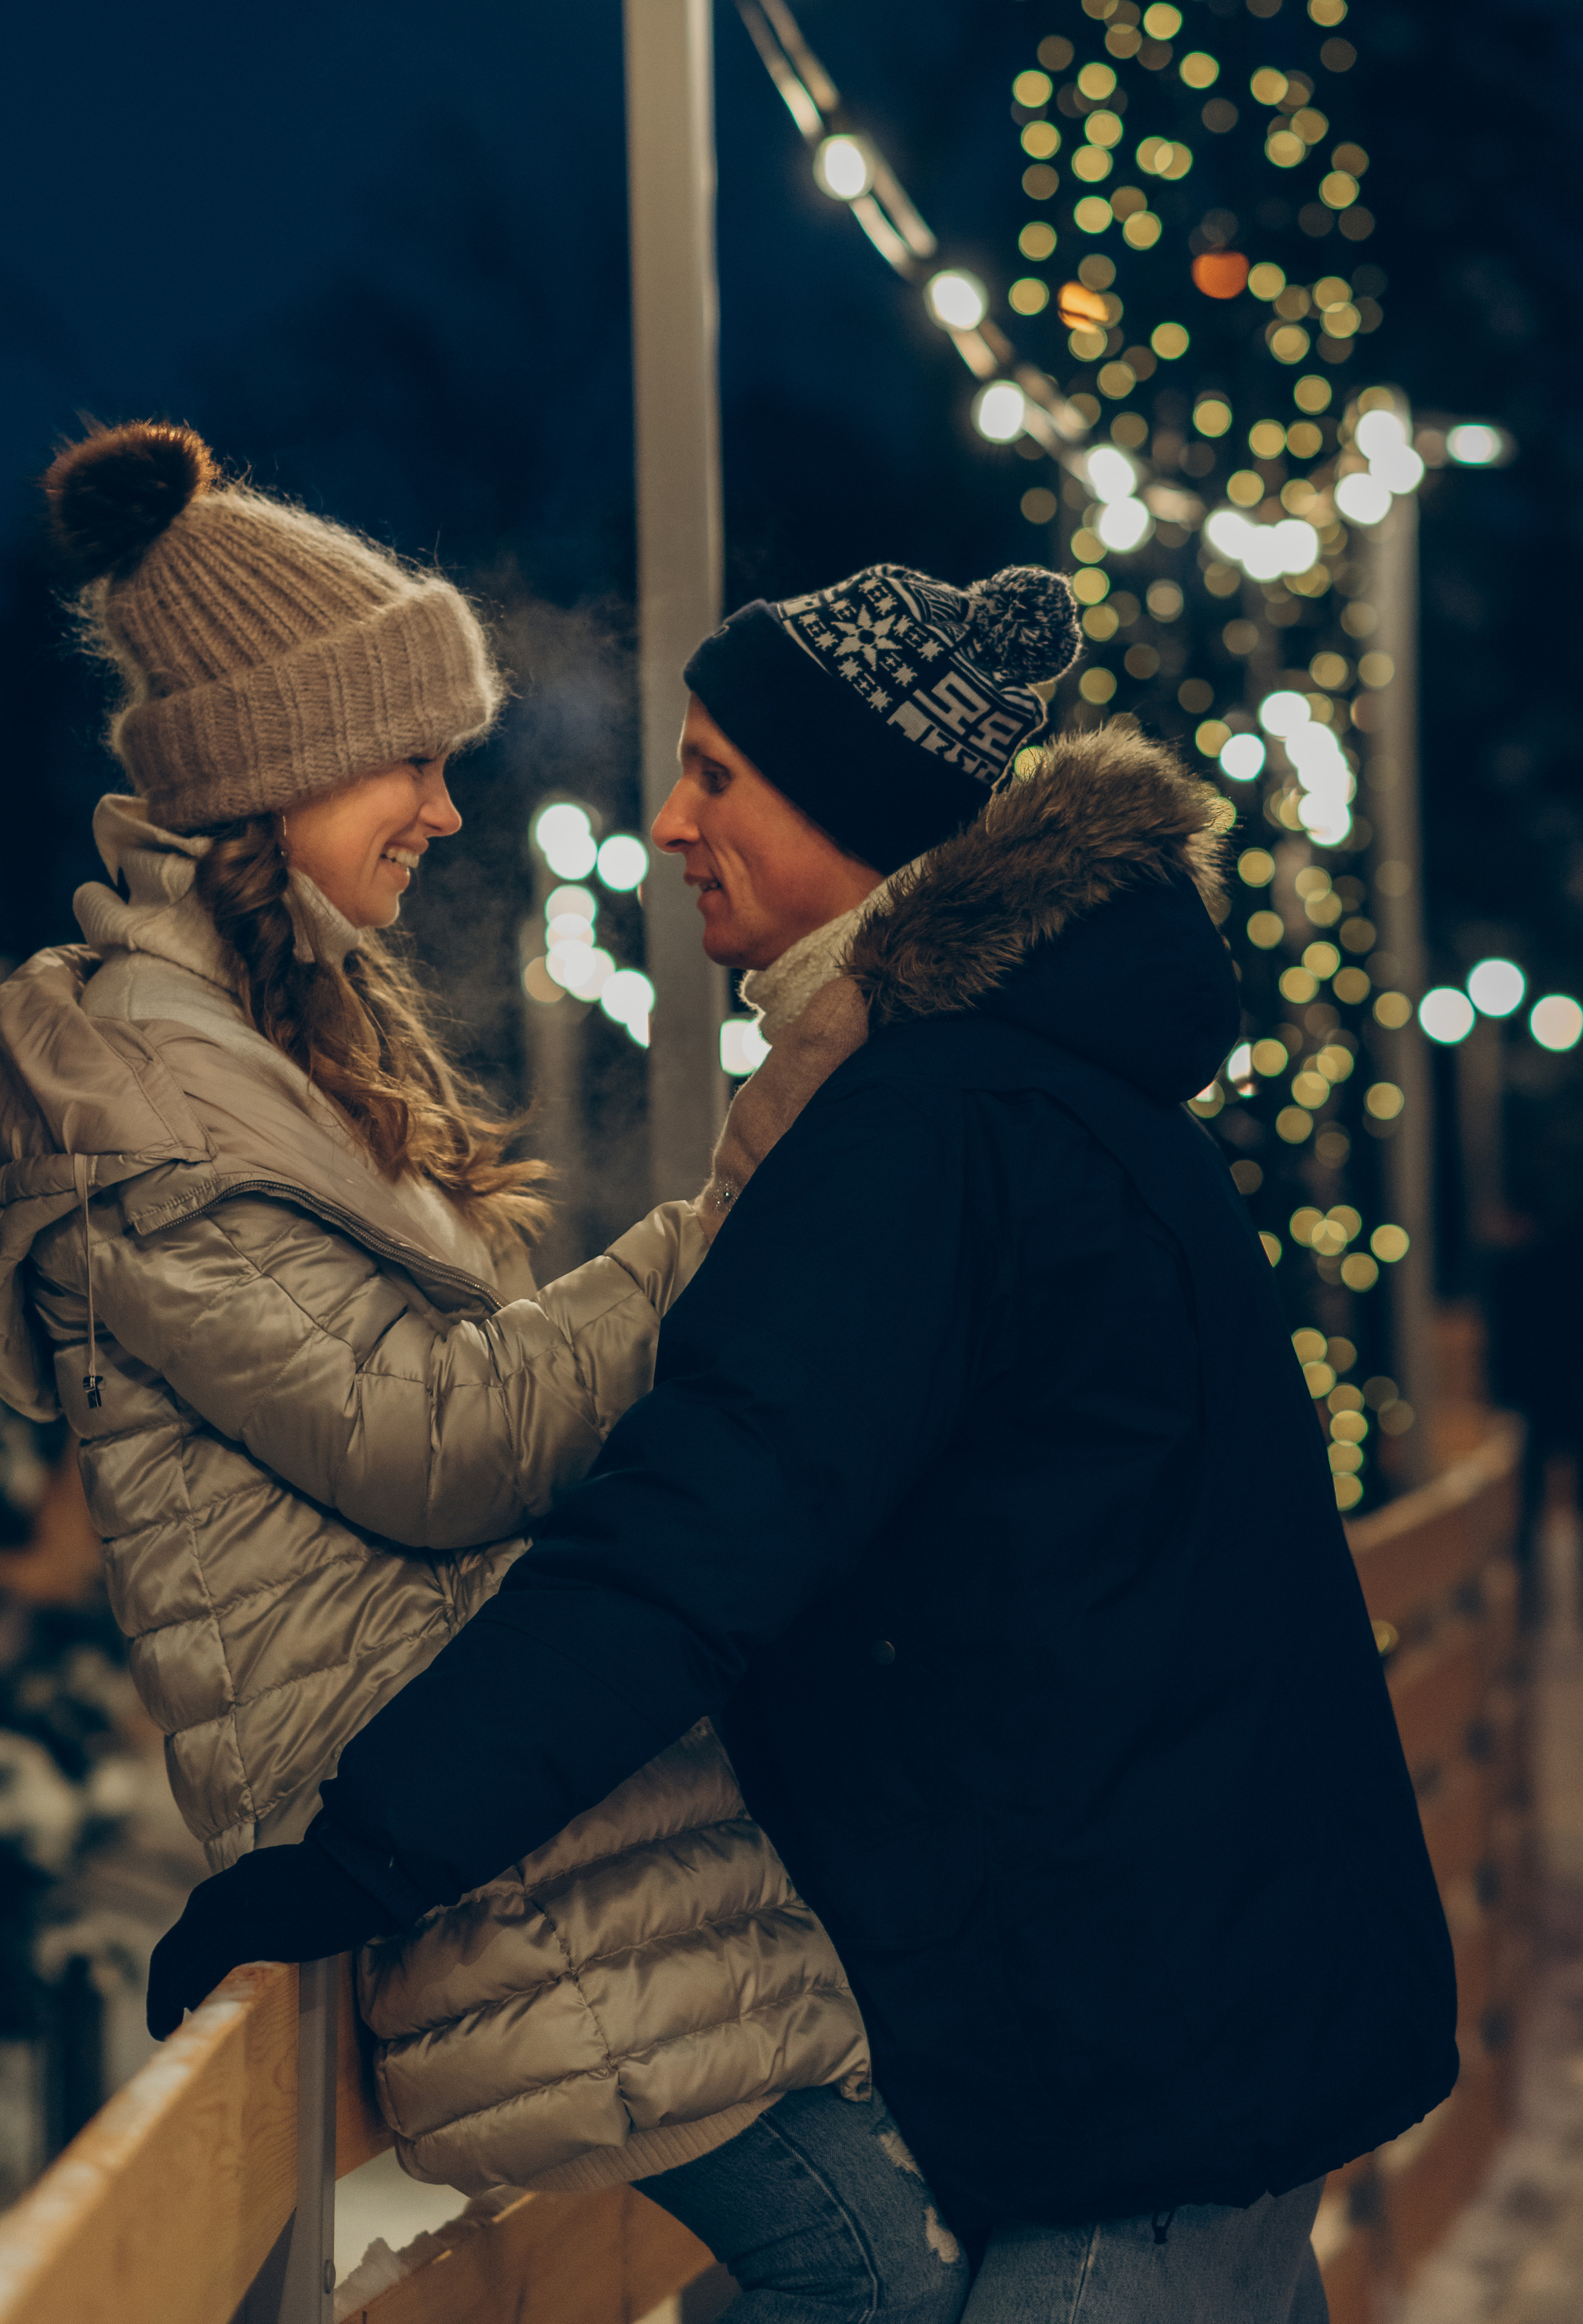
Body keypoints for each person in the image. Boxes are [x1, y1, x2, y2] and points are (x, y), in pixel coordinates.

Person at [151, 558, 1462, 2322]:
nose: (674, 824)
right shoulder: (1035, 1089)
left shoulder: (933, 1123)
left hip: (1137, 2060)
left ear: (851, 806)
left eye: (719, 775)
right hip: (1174, 2016)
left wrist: (369, 1845)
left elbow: (693, 1534)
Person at [0, 424, 969, 2324]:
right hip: (486, 1857)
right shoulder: (143, 1104)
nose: (442, 805)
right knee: (885, 2284)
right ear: (278, 770)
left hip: (552, 1813)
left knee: (889, 2270)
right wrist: (747, 1203)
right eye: (409, 758)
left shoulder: (275, 1053)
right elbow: (438, 1438)